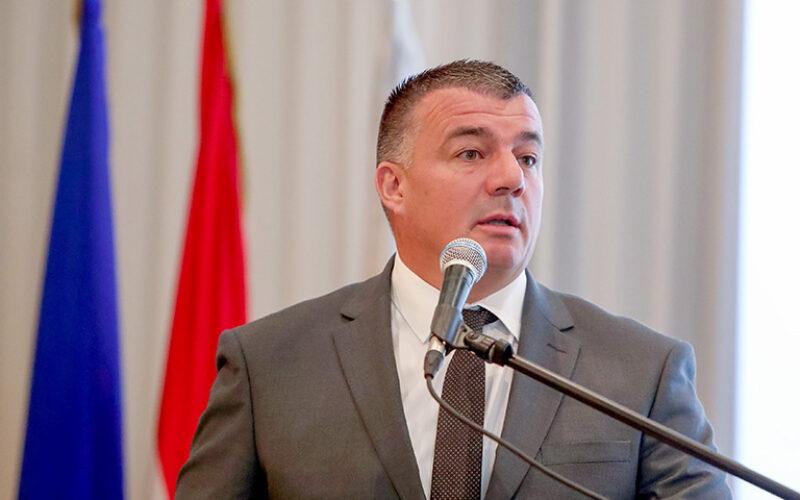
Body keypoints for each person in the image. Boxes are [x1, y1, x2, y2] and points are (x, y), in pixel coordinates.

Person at [175, 60, 731, 499]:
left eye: (528, 158)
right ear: (394, 187)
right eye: (471, 152)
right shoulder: (270, 366)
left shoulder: (641, 373)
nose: (511, 178)